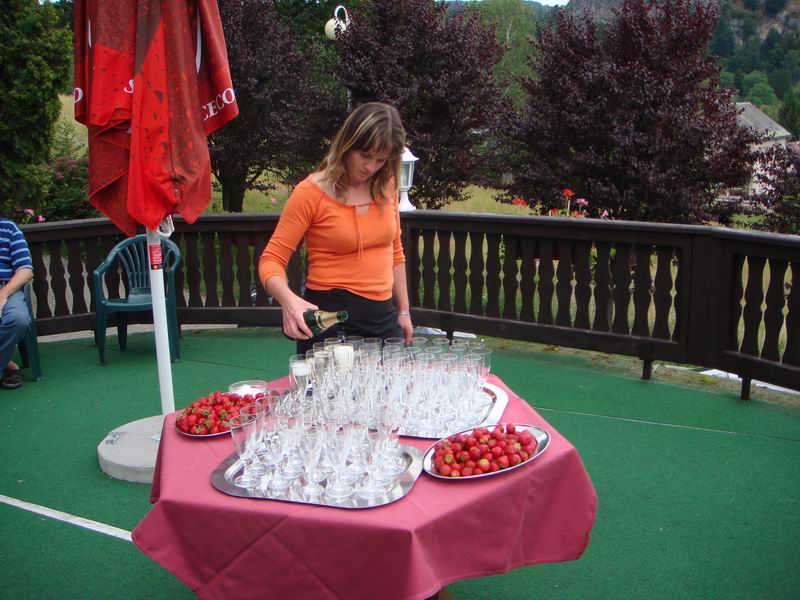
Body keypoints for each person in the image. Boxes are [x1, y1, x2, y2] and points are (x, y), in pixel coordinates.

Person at [258, 102, 413, 355]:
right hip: (328, 320)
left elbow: (395, 251)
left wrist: (404, 311)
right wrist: (289, 301)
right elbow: (271, 259)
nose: (371, 167)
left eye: (381, 160)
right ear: (347, 144)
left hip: (382, 317)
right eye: (365, 155)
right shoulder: (310, 193)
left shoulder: (387, 185)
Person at [0, 219, 33, 389]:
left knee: (18, 319)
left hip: (7, 288)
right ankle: (9, 365)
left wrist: (2, 295)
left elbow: (26, 270)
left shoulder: (8, 229)